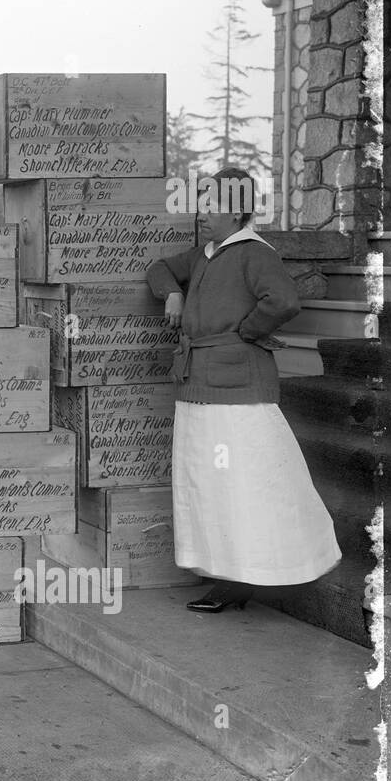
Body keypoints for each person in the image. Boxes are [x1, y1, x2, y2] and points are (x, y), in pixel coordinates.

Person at [144, 167, 341, 612]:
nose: (201, 214)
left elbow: (285, 301)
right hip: (199, 383)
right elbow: (160, 268)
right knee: (210, 484)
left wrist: (247, 332)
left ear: (236, 211)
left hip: (237, 385)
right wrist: (172, 295)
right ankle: (230, 575)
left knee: (245, 481)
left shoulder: (254, 253)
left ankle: (252, 575)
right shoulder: (207, 254)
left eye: (211, 205)